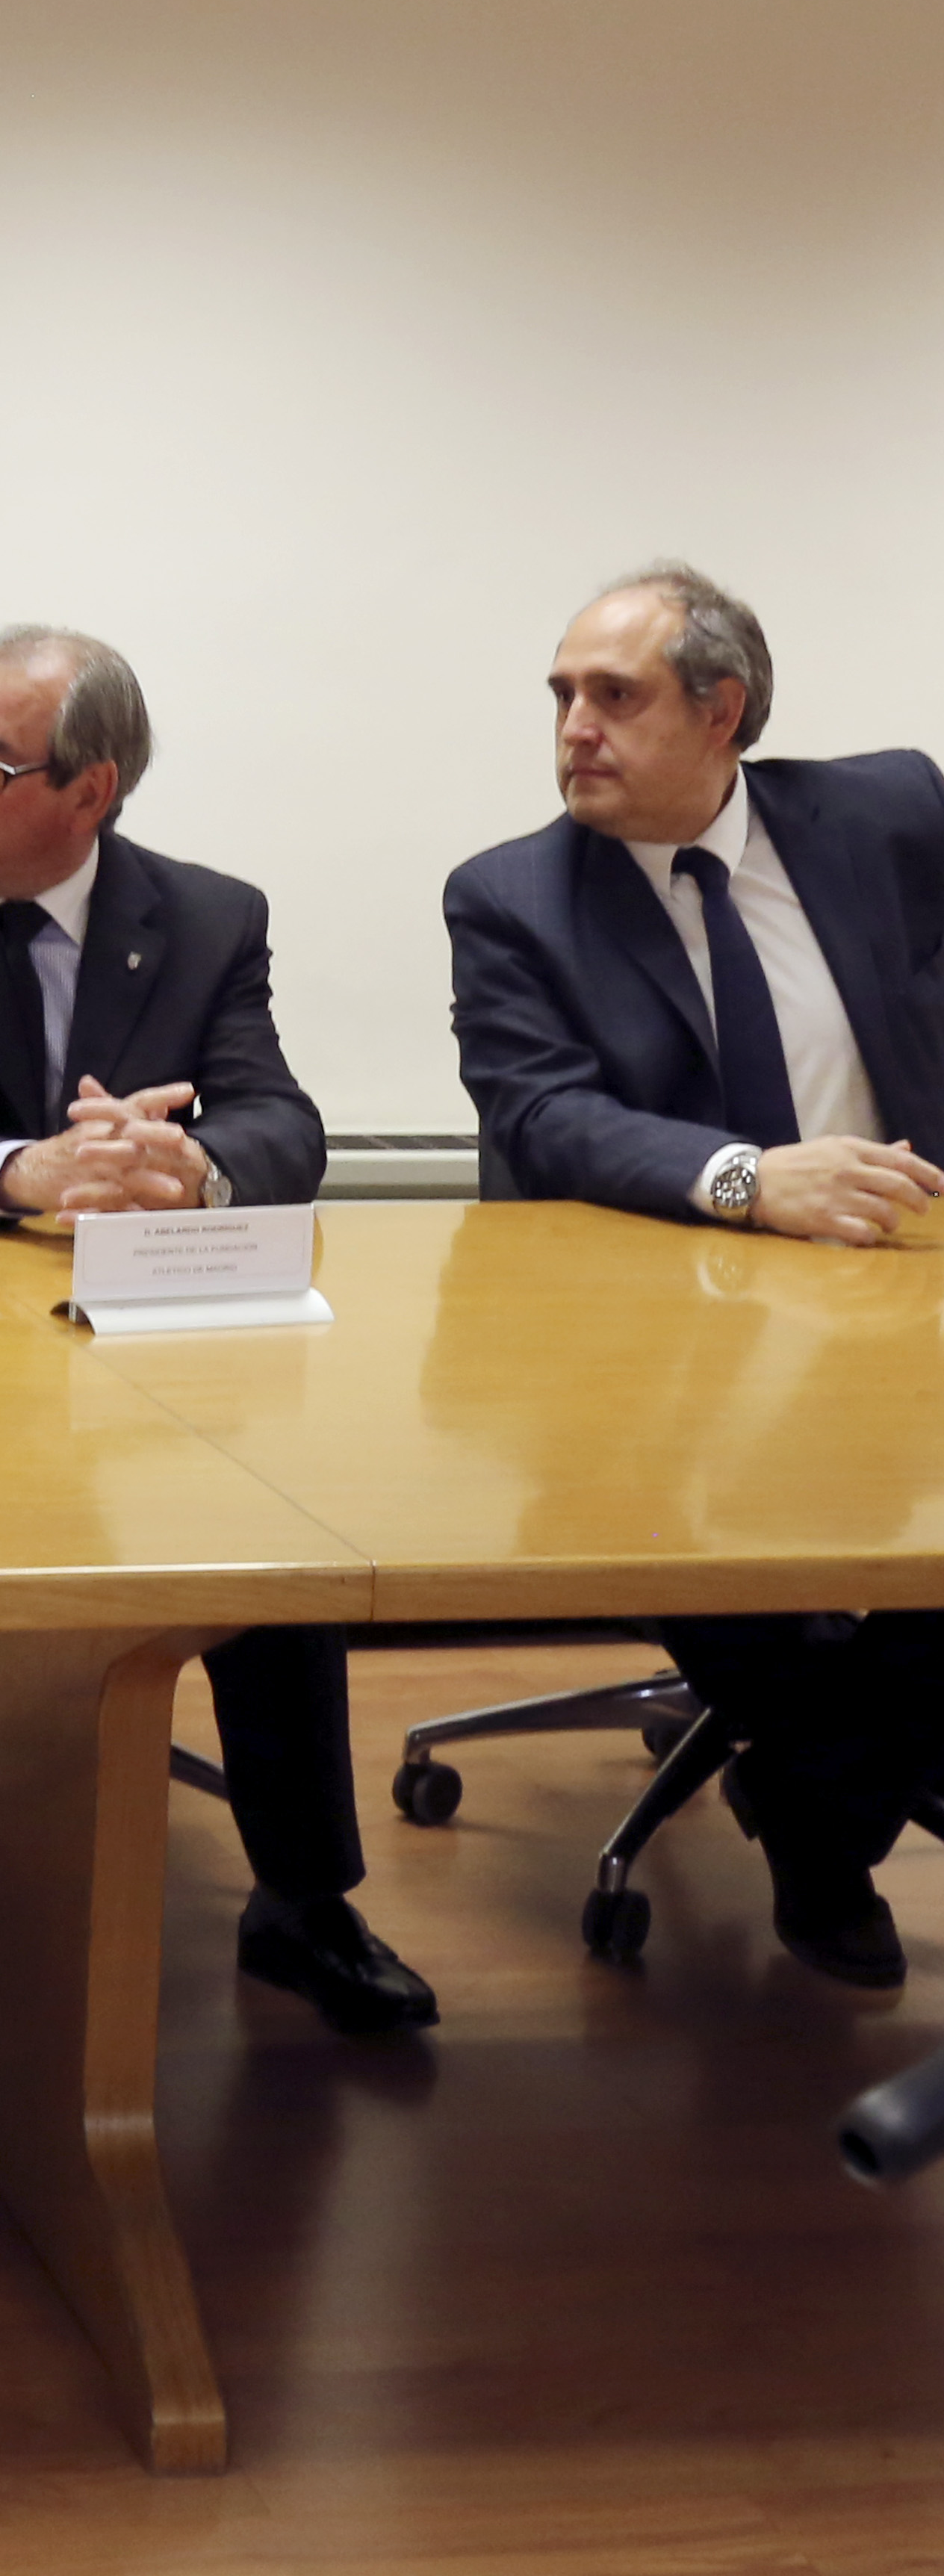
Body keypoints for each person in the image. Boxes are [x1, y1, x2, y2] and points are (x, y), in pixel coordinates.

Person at [0, 625, 435, 2033]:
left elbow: (282, 1119)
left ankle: (302, 1897)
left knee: (275, 1535)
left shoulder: (208, 919)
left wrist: (192, 1170)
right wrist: (23, 1172)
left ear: (91, 792)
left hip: (129, 1356)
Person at [446, 562, 944, 1987]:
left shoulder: (891, 814)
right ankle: (824, 1833)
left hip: (898, 1293)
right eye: (563, 696)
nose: (575, 728)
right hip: (657, 1340)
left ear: (722, 712)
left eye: (617, 696)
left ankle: (811, 1779)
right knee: (714, 1543)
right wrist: (747, 1177)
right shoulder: (513, 896)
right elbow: (541, 1114)